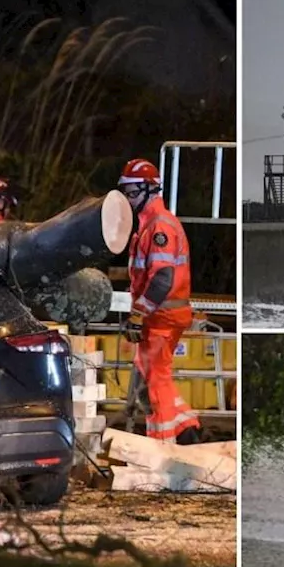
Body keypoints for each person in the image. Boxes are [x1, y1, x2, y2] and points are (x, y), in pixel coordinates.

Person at [118, 158, 202, 445]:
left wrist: (139, 314)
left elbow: (162, 278)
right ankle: (186, 429)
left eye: (132, 193)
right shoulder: (149, 224)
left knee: (156, 382)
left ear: (150, 190)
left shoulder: (159, 225)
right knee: (149, 379)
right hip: (159, 317)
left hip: (162, 318)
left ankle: (163, 446)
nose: (128, 200)